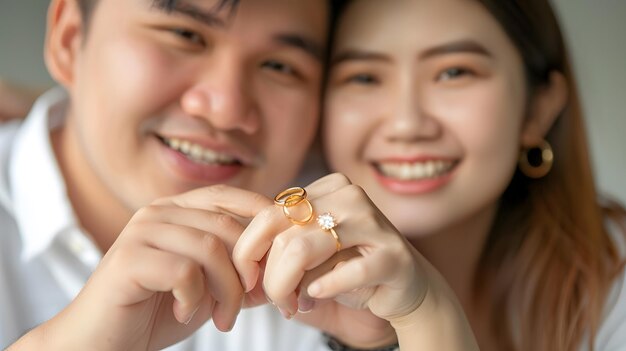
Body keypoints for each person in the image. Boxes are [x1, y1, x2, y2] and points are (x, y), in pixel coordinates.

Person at [2, 0, 396, 350]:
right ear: (69, 39)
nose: (225, 110)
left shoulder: (340, 246)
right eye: (185, 35)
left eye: (279, 66)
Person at [232, 0, 626, 350]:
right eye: (364, 77)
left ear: (537, 108)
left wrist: (428, 314)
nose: (406, 124)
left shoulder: (614, 279)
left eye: (454, 72)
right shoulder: (254, 289)